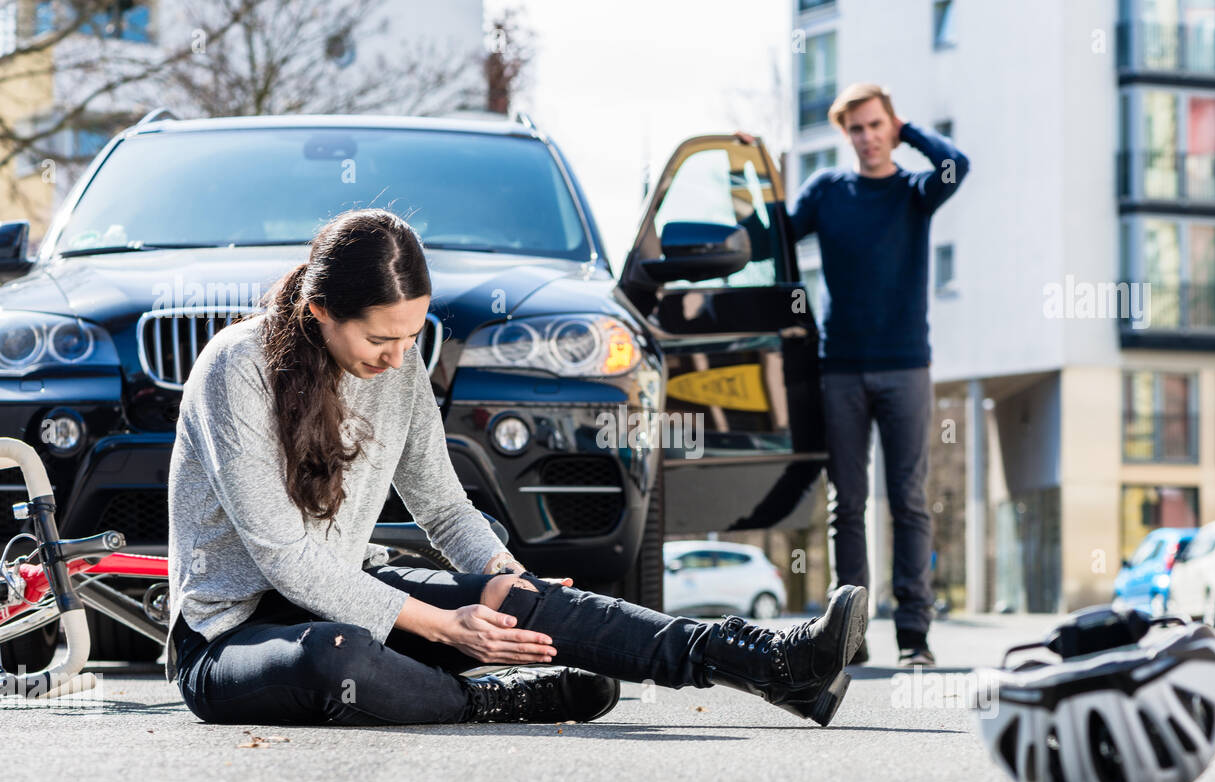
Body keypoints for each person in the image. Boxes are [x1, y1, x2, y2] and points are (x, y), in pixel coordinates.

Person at [165, 208, 869, 728]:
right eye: (382, 337)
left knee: (511, 596)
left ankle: (768, 663)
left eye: (413, 334)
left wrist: (509, 579)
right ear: (320, 310)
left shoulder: (399, 367)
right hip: (230, 639)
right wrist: (446, 628)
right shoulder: (237, 369)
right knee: (336, 656)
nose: (398, 355)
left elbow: (442, 508)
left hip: (344, 590)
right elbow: (285, 560)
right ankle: (489, 699)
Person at [745, 83, 970, 667]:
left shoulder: (914, 192)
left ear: (891, 126)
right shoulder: (828, 191)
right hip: (840, 368)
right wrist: (752, 168)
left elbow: (956, 165)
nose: (867, 138)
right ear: (847, 136)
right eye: (857, 129)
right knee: (847, 504)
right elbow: (777, 234)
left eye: (876, 125)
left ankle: (915, 634)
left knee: (909, 501)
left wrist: (910, 127)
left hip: (905, 368)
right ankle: (851, 631)